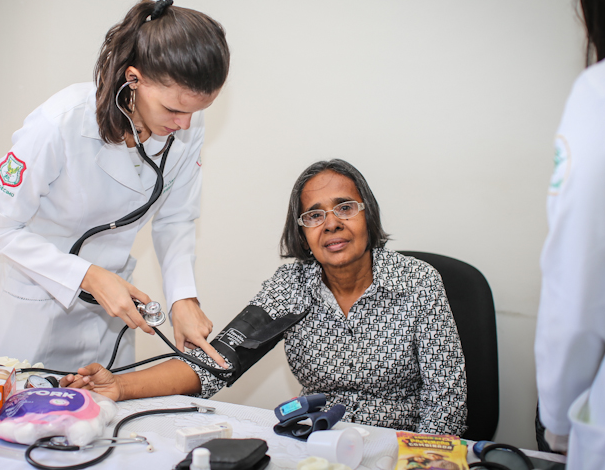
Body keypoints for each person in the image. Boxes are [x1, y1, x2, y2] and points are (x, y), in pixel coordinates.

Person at [62, 159, 467, 435]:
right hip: (323, 443)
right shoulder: (291, 286)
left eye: (345, 207)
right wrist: (118, 386)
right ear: (303, 235)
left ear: (368, 215)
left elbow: (446, 403)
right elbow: (214, 364)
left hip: (403, 447)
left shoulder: (417, 281)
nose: (331, 224)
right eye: (314, 215)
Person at [0, 0, 230, 372]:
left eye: (196, 111)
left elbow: (175, 219)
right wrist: (88, 275)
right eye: (174, 110)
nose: (186, 124)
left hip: (112, 315)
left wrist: (183, 298)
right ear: (133, 79)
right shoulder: (59, 124)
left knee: (107, 403)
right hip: (37, 306)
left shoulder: (185, 123)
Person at [534, 0, 605, 465]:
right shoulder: (292, 288)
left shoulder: (604, 94)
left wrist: (559, 418)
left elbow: (580, 282)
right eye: (312, 214)